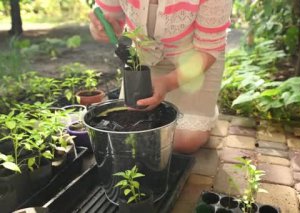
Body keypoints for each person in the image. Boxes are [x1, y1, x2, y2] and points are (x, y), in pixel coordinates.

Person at [89, 0, 232, 153]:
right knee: (132, 129)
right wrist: (103, 27)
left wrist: (167, 83)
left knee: (183, 141)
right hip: (145, 58)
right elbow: (111, 17)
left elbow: (207, 49)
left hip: (196, 61)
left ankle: (207, 112)